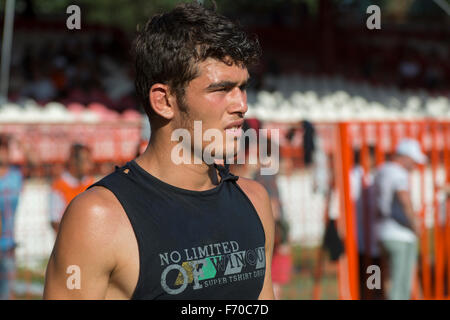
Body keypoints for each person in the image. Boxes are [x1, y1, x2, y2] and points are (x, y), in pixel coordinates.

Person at [44, 3, 274, 300]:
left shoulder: (254, 201)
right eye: (220, 89)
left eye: (243, 88)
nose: (241, 104)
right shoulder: (99, 218)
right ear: (164, 101)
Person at [374, 138, 426, 300]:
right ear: (404, 156)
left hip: (384, 232)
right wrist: (414, 222)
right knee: (400, 284)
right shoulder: (398, 173)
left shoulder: (382, 170)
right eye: (413, 161)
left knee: (389, 280)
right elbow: (403, 197)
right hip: (400, 234)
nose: (414, 165)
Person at [49, 143, 94, 234]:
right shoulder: (59, 186)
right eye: (86, 161)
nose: (90, 166)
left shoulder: (91, 183)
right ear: (74, 162)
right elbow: (55, 221)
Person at [0, 135, 24, 300]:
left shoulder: (16, 175)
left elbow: (34, 162)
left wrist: (21, 144)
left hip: (7, 244)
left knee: (7, 293)